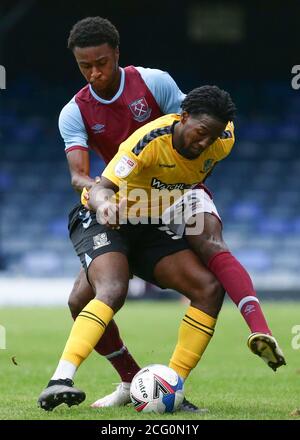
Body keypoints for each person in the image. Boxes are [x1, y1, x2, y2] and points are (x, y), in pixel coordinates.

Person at [45, 16, 221, 412]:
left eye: (102, 62)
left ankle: (170, 386)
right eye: (84, 66)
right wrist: (103, 198)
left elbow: (194, 129)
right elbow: (78, 175)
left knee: (208, 287)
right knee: (83, 300)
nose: (95, 73)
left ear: (117, 55)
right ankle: (128, 379)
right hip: (114, 206)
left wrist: (184, 187)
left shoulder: (153, 82)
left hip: (157, 205)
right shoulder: (74, 111)